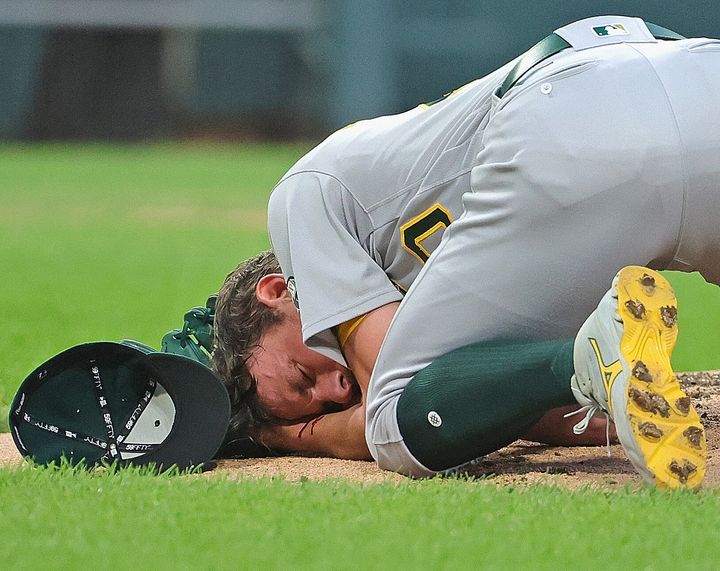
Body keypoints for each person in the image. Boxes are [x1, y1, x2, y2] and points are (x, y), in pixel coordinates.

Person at [213, 16, 719, 487]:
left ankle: (587, 359)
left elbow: (385, 416)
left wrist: (287, 435)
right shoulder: (473, 289)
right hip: (692, 71)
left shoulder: (301, 198)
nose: (337, 393)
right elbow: (522, 409)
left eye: (304, 379)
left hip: (567, 125)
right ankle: (592, 363)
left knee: (394, 419)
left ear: (277, 291)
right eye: (319, 409)